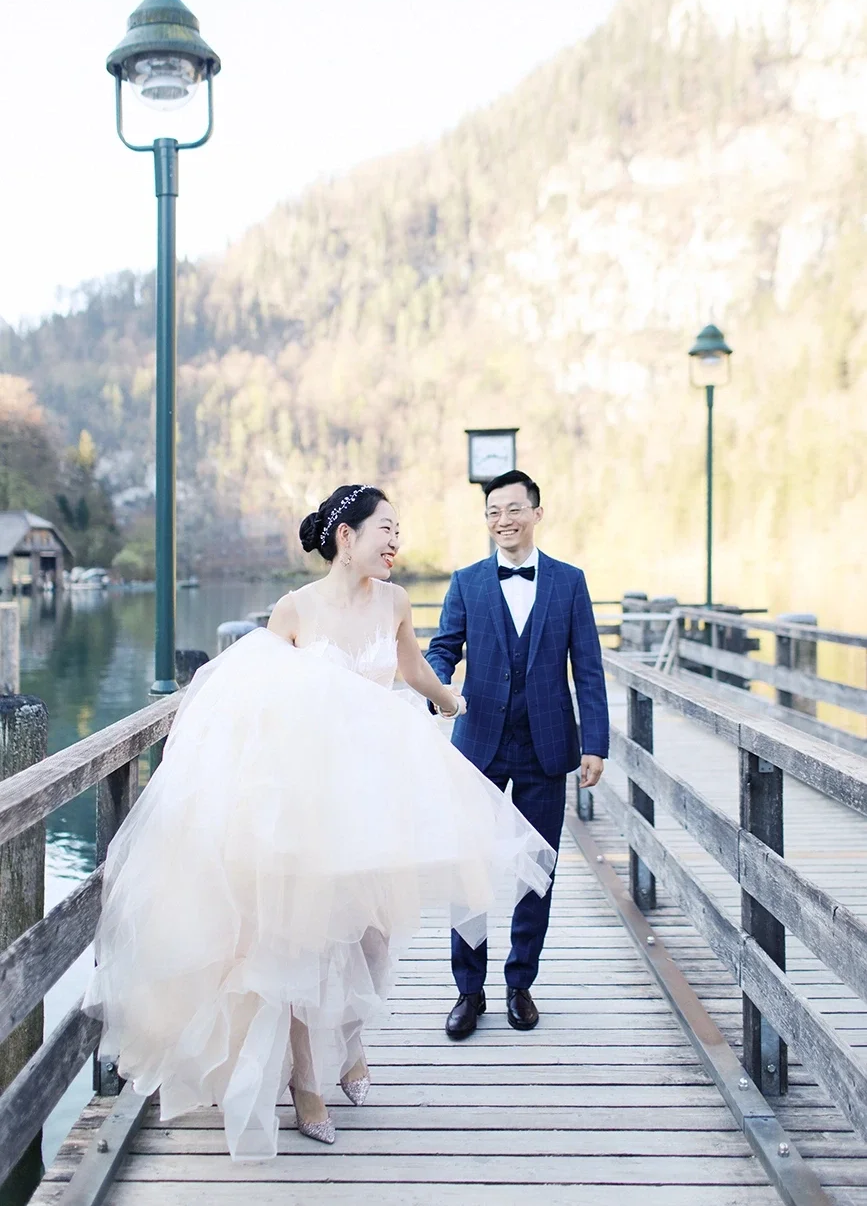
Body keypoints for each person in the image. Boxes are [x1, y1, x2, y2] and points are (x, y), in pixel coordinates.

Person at [83, 484, 555, 1160]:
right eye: (386, 529)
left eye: (398, 530)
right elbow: (251, 695)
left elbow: (410, 666)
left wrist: (450, 700)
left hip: (377, 789)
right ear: (346, 537)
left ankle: (352, 1046)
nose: (396, 542)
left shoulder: (394, 602)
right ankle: (306, 1084)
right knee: (304, 940)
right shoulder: (295, 609)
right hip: (307, 795)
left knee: (374, 934)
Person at [426, 470, 609, 1039]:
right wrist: (437, 688)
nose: (502, 520)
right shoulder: (467, 582)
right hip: (477, 743)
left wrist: (595, 744)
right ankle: (469, 991)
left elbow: (589, 668)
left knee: (537, 872)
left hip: (546, 747)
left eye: (512, 509)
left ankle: (520, 983)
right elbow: (442, 648)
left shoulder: (569, 582)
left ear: (536, 513)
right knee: (468, 870)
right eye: (492, 512)